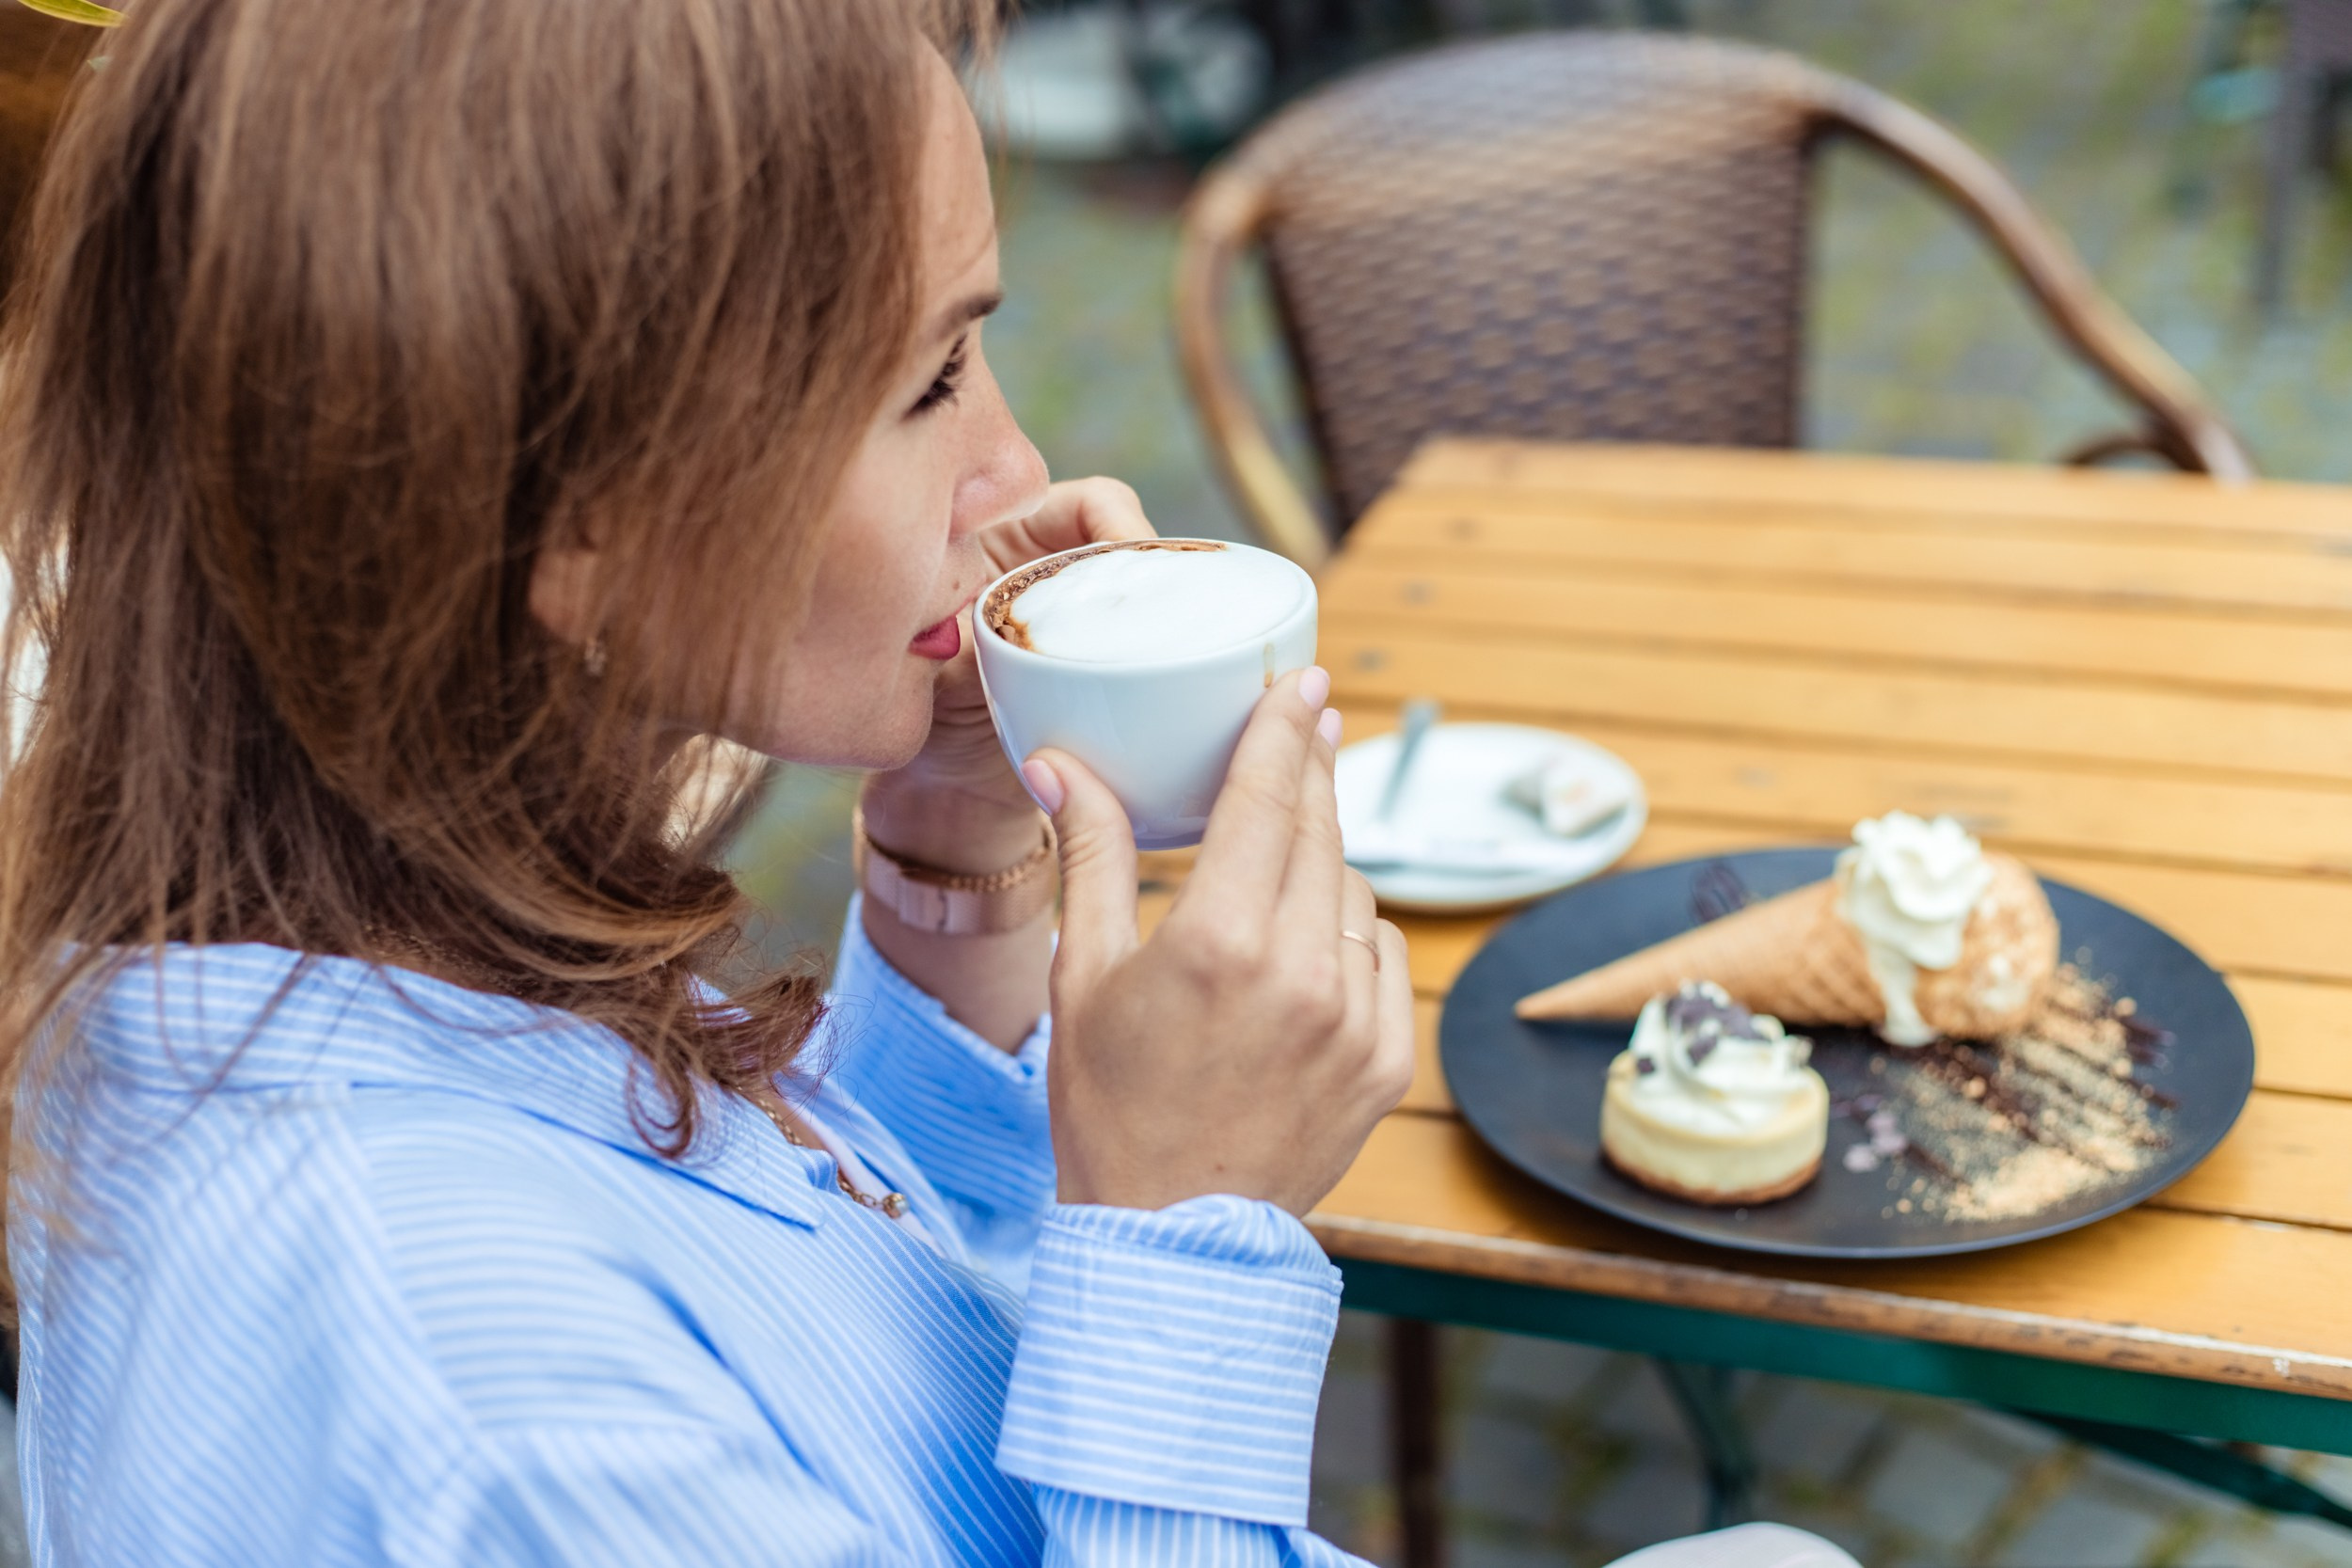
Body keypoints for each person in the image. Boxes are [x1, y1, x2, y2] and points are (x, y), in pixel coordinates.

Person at [0, 1, 1861, 1563]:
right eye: (926, 384)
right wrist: (1186, 1224)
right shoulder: (498, 1424)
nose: (1015, 468)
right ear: (567, 520)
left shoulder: (387, 917)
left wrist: (956, 866)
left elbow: (891, 1347)